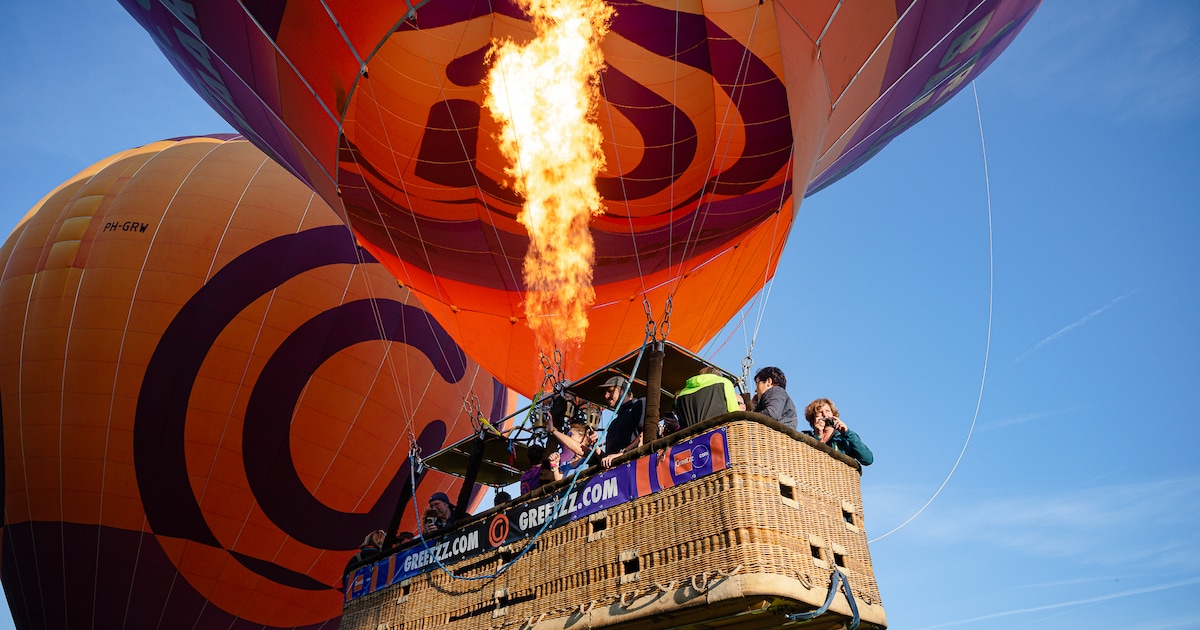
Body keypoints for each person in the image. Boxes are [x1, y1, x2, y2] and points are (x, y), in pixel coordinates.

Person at [802, 398, 874, 466]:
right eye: (820, 412)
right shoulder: (806, 436)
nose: (825, 415)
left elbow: (867, 459)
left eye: (827, 411)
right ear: (813, 418)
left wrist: (847, 432)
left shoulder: (844, 439)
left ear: (833, 415)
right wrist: (817, 436)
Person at [599, 375, 645, 468]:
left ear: (623, 389)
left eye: (610, 391)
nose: (606, 396)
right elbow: (609, 457)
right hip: (617, 472)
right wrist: (595, 448)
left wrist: (622, 453)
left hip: (636, 467)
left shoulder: (639, 404)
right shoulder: (613, 424)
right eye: (605, 393)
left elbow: (645, 434)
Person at [674, 366, 739, 428]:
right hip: (719, 431)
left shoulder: (681, 394)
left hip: (691, 434)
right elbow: (734, 412)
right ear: (718, 375)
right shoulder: (724, 382)